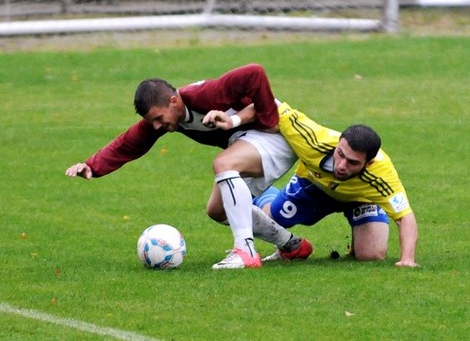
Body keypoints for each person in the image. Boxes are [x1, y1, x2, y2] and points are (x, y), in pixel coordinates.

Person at [65, 63, 313, 270]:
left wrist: (267, 119)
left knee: (223, 163)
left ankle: (245, 252)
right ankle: (292, 246)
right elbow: (129, 142)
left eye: (158, 119)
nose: (156, 127)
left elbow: (254, 73)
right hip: (250, 143)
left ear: (173, 101)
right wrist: (91, 166)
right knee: (218, 210)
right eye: (152, 122)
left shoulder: (203, 95)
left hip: (278, 136)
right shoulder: (169, 117)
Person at [253, 102, 419, 267]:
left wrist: (407, 260)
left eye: (352, 162)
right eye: (340, 154)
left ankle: (358, 238)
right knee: (268, 221)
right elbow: (270, 103)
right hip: (313, 186)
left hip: (360, 199)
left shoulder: (382, 175)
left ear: (368, 164)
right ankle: (263, 194)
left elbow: (405, 217)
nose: (341, 165)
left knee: (371, 254)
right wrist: (234, 121)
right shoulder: (313, 139)